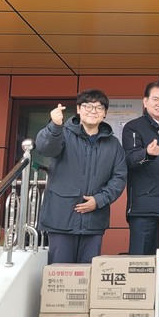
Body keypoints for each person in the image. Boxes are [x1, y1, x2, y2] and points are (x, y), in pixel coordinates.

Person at [35, 89, 127, 264]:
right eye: (88, 106)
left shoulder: (113, 144)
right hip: (61, 219)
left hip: (94, 221)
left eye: (99, 108)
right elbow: (45, 148)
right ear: (78, 109)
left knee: (87, 273)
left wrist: (99, 200)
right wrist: (55, 125)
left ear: (105, 113)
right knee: (60, 273)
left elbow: (119, 178)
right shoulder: (63, 133)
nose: (93, 111)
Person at [122, 79, 159, 255]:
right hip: (143, 210)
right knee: (140, 263)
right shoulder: (133, 127)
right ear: (145, 101)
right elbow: (130, 160)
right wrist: (147, 153)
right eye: (155, 99)